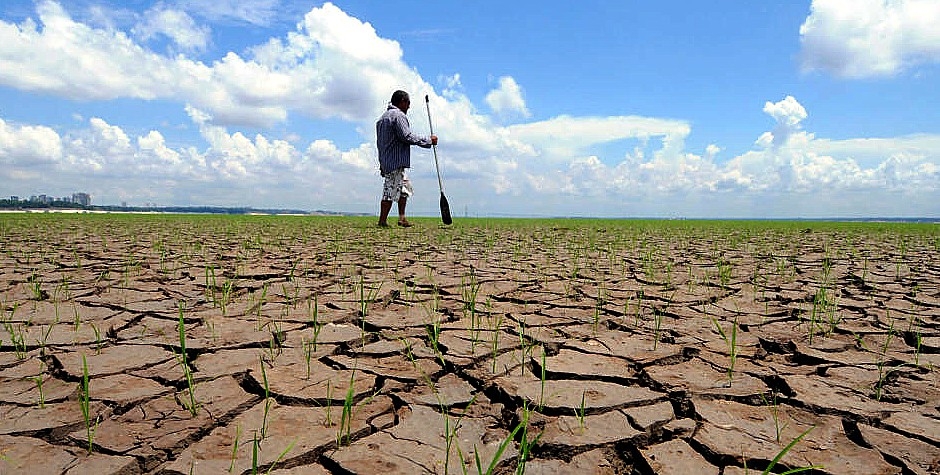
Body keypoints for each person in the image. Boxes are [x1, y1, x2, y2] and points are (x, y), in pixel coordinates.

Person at [376, 90, 437, 227]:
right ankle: (382, 221)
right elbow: (406, 136)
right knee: (389, 190)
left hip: (388, 160)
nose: (409, 107)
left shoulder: (382, 119)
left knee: (404, 189)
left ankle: (402, 218)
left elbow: (379, 144)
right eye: (408, 103)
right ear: (402, 101)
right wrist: (428, 140)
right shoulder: (398, 116)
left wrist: (381, 162)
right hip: (394, 161)